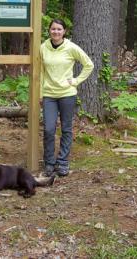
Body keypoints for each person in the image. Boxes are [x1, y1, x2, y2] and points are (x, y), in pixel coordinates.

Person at [40, 18, 94, 177]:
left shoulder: (71, 47)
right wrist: (40, 92)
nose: (55, 32)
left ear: (64, 32)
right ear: (49, 30)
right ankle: (49, 163)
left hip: (67, 94)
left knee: (66, 129)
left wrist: (76, 80)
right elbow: (41, 71)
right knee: (49, 129)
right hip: (49, 94)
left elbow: (89, 64)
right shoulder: (43, 47)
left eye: (59, 29)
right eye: (53, 29)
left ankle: (62, 162)